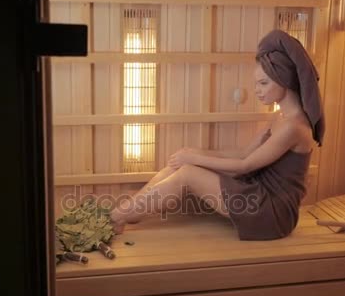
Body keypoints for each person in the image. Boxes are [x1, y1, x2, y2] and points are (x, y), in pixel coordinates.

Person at [110, 29, 325, 240]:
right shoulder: (280, 116)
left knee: (187, 173)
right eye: (256, 83)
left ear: (285, 79)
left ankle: (117, 217)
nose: (257, 90)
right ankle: (126, 213)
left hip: (272, 213)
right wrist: (196, 152)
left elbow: (246, 166)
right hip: (259, 195)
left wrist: (194, 159)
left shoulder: (294, 126)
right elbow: (244, 153)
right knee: (181, 163)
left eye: (263, 83)